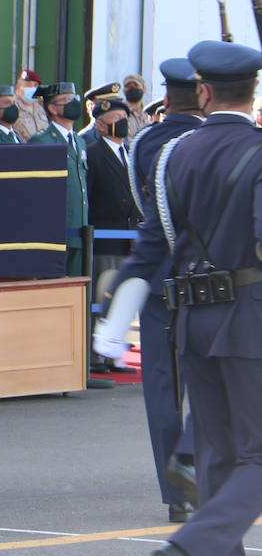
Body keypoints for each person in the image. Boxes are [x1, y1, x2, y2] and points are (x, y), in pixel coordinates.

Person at [103, 41, 262, 556]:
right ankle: (191, 550)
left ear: (202, 91)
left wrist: (116, 312)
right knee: (258, 460)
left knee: (219, 463)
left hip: (193, 320)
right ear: (253, 91)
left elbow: (151, 245)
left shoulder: (175, 154)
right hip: (251, 322)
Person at [117, 58, 203, 522]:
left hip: (158, 279)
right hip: (208, 282)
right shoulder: (213, 142)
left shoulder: (144, 141)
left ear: (166, 98)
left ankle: (177, 494)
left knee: (163, 389)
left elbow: (145, 208)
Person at [86, 99, 142, 326]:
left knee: (123, 300)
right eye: (117, 119)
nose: (122, 124)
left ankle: (115, 353)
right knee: (102, 298)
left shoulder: (129, 152)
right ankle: (98, 356)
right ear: (100, 125)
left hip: (129, 238)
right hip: (105, 239)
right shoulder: (92, 154)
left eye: (124, 120)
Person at [28, 82, 90, 276]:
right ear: (53, 108)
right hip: (56, 231)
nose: (73, 103)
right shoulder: (42, 141)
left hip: (80, 228)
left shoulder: (80, 141)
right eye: (67, 100)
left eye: (74, 99)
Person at [79, 82, 124, 152]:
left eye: (117, 104)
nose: (115, 109)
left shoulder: (120, 132)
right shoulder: (85, 137)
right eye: (108, 105)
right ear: (93, 107)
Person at [12, 67, 49, 141]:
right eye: (28, 85)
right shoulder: (12, 107)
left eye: (35, 85)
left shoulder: (40, 108)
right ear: (18, 87)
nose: (33, 88)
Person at [122, 72, 152, 137]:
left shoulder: (149, 113)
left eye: (136, 85)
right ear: (123, 91)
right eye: (128, 86)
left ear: (144, 89)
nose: (132, 88)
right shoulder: (120, 113)